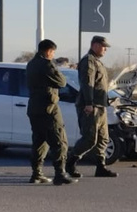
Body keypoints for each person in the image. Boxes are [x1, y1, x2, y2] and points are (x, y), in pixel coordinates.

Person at [26, 39, 78, 185]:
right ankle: (60, 173)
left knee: (39, 141)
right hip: (48, 109)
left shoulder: (31, 64)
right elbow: (62, 82)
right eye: (53, 52)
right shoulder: (46, 65)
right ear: (48, 51)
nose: (53, 55)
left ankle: (36, 173)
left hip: (34, 108)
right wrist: (55, 67)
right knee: (59, 140)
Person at [66, 35, 118, 178]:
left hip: (100, 106)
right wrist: (89, 103)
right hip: (91, 106)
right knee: (89, 139)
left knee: (103, 138)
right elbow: (87, 83)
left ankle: (101, 167)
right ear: (94, 45)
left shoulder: (97, 62)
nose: (105, 49)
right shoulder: (88, 61)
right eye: (103, 46)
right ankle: (70, 162)